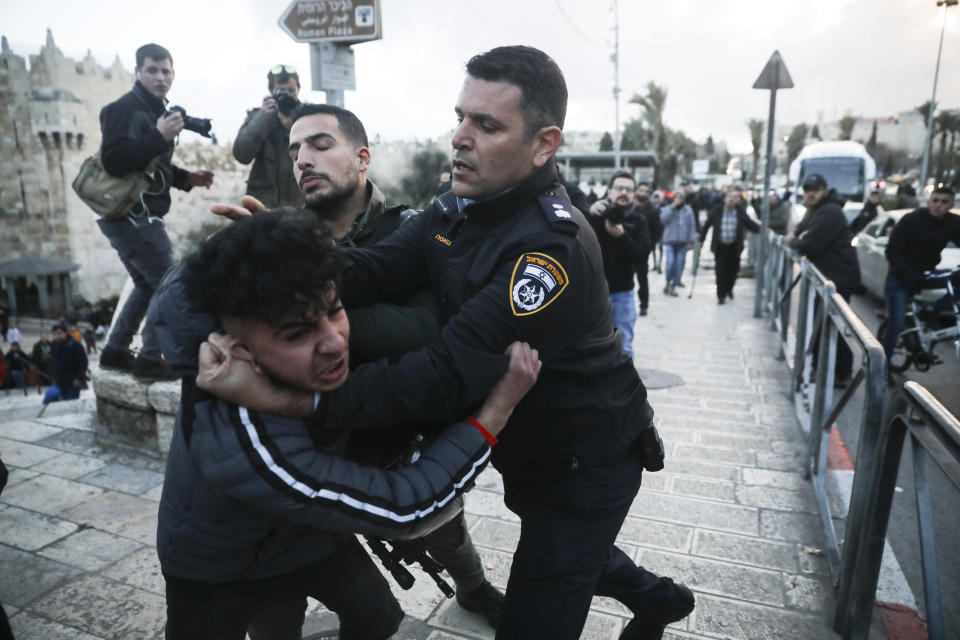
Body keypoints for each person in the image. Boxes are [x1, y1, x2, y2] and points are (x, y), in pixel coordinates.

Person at [202, 45, 693, 640]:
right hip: (530, 448)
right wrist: (281, 250)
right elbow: (376, 267)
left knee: (543, 595)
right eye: (460, 117)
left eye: (487, 125)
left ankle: (656, 598)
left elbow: (441, 374)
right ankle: (661, 600)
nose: (460, 137)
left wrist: (295, 401)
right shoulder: (460, 202)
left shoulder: (548, 248)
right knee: (575, 553)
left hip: (585, 461)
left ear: (543, 144)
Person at [156, 210, 540, 640]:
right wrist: (495, 412)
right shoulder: (252, 442)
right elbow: (404, 506)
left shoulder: (262, 307)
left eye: (335, 310)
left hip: (306, 536)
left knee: (377, 618)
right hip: (220, 565)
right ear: (240, 350)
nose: (336, 340)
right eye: (298, 334)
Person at [284, 102, 505, 626]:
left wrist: (316, 316)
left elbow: (425, 332)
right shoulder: (291, 238)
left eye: (319, 145)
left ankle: (472, 588)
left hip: (390, 433)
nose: (303, 161)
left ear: (361, 158)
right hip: (311, 437)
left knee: (443, 527)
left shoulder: (407, 230)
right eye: (294, 151)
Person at [96, 43, 214, 382]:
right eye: (152, 70)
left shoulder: (156, 110)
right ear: (137, 72)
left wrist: (186, 178)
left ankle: (115, 351)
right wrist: (159, 135)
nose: (160, 77)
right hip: (132, 214)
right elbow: (115, 161)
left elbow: (151, 165)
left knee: (146, 284)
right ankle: (150, 358)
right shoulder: (123, 109)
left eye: (166, 71)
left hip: (137, 213)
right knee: (169, 282)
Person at [786, 173, 861, 386]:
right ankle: (823, 369)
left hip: (838, 278)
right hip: (829, 276)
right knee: (823, 323)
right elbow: (801, 232)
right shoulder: (818, 210)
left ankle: (839, 372)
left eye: (814, 189)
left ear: (824, 191)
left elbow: (809, 244)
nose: (810, 193)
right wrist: (799, 238)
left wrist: (797, 241)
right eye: (807, 189)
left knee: (834, 326)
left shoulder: (830, 212)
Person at [879, 186, 960, 363]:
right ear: (928, 202)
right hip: (900, 277)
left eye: (944, 202)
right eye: (935, 200)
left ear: (951, 205)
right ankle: (882, 367)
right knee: (897, 322)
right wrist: (906, 273)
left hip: (927, 273)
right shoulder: (911, 220)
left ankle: (932, 310)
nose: (938, 205)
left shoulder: (953, 222)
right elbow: (892, 251)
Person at [588, 171, 650, 356]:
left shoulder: (639, 220)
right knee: (591, 346)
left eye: (628, 189)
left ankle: (624, 385)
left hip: (622, 294)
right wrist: (589, 214)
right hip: (593, 293)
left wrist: (621, 236)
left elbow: (642, 256)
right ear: (609, 191)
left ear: (634, 193)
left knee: (624, 347)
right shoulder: (595, 213)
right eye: (619, 188)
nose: (623, 192)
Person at [232, 64, 304, 209]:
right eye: (280, 91)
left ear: (298, 90)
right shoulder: (259, 116)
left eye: (291, 91)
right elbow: (241, 155)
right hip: (264, 207)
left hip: (301, 206)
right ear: (271, 91)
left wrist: (294, 124)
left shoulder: (307, 117)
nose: (286, 95)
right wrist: (263, 118)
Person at [700, 191, 760, 304]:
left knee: (733, 270)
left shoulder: (740, 212)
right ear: (725, 198)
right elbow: (707, 225)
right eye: (729, 197)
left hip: (734, 247)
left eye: (734, 197)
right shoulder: (717, 210)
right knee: (720, 271)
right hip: (720, 246)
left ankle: (729, 289)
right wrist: (701, 239)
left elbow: (749, 224)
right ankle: (721, 295)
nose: (731, 199)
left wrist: (762, 229)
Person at [660, 191, 697, 296]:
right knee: (670, 263)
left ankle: (673, 285)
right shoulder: (667, 209)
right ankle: (667, 282)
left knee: (679, 265)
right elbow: (662, 220)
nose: (678, 200)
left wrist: (691, 241)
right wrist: (673, 208)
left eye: (681, 198)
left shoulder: (688, 211)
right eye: (677, 198)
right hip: (670, 241)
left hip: (682, 242)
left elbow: (692, 226)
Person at [634, 182, 663, 316]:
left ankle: (644, 304)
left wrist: (649, 246)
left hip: (642, 250)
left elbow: (657, 231)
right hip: (625, 247)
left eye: (646, 191)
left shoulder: (652, 210)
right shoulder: (629, 206)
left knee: (642, 278)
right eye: (641, 190)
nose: (643, 193)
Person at [50, 323, 87, 401]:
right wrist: (54, 377)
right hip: (60, 381)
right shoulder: (54, 345)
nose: (57, 336)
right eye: (55, 334)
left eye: (59, 333)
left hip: (73, 381)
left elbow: (83, 363)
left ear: (65, 333)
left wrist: (78, 378)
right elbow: (53, 362)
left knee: (72, 403)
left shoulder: (76, 345)